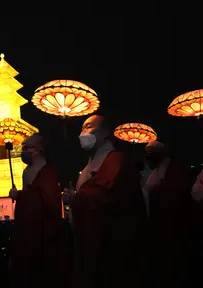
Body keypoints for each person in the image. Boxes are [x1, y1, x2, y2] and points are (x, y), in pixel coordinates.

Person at [71, 115, 147, 288]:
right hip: (89, 241)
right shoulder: (87, 167)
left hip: (112, 243)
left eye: (89, 127)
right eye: (82, 128)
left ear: (105, 132)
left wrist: (79, 198)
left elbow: (108, 195)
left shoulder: (117, 160)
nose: (83, 133)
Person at [9, 134, 68, 288]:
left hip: (42, 230)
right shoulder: (27, 171)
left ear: (38, 150)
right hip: (27, 229)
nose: (23, 151)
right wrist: (20, 195)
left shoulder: (47, 172)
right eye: (23, 148)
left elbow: (49, 202)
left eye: (26, 147)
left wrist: (22, 196)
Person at [144, 140, 193, 287]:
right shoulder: (154, 172)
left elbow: (178, 191)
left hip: (174, 224)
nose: (150, 156)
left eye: (152, 153)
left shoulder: (175, 168)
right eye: (148, 153)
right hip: (159, 225)